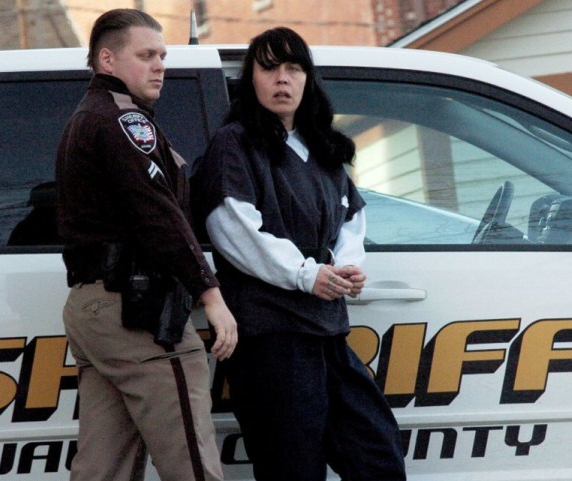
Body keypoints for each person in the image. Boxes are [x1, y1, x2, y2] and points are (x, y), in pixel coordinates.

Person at [190, 27, 406, 481]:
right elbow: (233, 228)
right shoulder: (235, 143)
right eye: (269, 68)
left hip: (327, 331)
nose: (282, 79)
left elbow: (351, 219)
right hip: (272, 339)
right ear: (251, 78)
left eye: (293, 68)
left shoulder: (323, 148)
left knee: (377, 453)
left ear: (308, 79)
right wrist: (307, 275)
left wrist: (347, 269)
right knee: (293, 468)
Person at [55, 9, 237, 481]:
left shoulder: (88, 117)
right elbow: (158, 215)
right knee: (191, 464)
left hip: (96, 308)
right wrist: (210, 295)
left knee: (105, 467)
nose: (159, 66)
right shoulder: (123, 122)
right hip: (134, 313)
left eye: (162, 55)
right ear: (107, 59)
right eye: (146, 55)